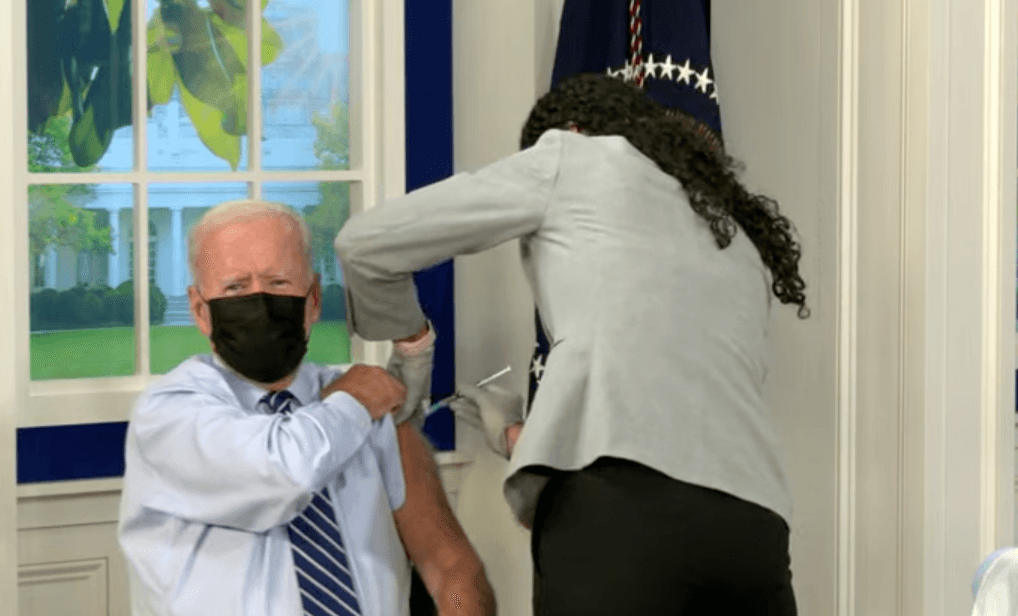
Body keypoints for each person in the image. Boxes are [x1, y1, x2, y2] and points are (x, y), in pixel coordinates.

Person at [334, 73, 809, 616]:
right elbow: (673, 422)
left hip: (618, 520)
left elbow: (364, 244)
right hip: (754, 534)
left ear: (573, 130)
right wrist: (523, 437)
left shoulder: (574, 157)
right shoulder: (734, 234)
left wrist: (413, 348)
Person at [117, 199, 495, 616]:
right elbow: (283, 472)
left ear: (313, 299)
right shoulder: (168, 416)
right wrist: (354, 402)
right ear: (200, 311)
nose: (259, 302)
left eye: (278, 283)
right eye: (235, 287)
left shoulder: (377, 415)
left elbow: (449, 569)